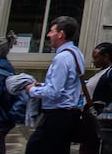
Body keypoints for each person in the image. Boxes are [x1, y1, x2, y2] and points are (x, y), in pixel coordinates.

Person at [25, 16, 86, 154]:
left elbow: (54, 92)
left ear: (61, 34)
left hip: (56, 116)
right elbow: (67, 84)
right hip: (68, 115)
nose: (48, 35)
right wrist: (43, 86)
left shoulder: (62, 58)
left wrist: (31, 89)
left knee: (34, 148)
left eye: (51, 31)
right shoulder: (77, 54)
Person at [78, 42, 112, 154]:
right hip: (90, 116)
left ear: (105, 57)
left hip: (97, 115)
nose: (93, 61)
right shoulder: (102, 72)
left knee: (90, 147)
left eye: (96, 57)